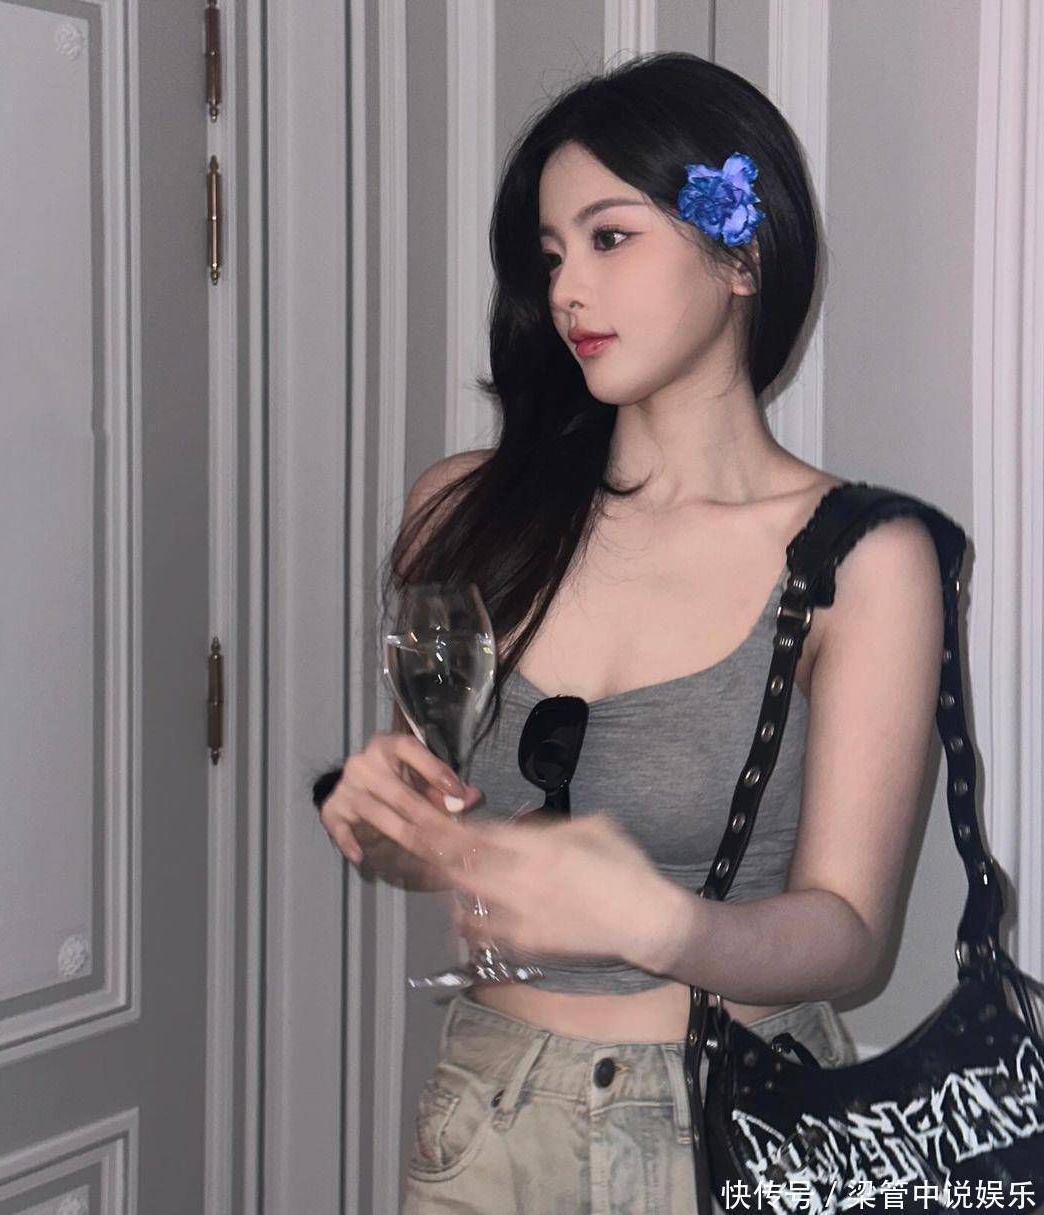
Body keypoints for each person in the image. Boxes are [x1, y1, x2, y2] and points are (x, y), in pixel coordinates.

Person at [316, 49, 944, 1214]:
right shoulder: (460, 511)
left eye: (610, 238)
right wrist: (378, 821)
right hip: (489, 1116)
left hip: (745, 1125)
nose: (567, 289)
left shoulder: (865, 557)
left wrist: (663, 923)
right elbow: (441, 828)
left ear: (742, 254)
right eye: (551, 254)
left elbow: (853, 936)